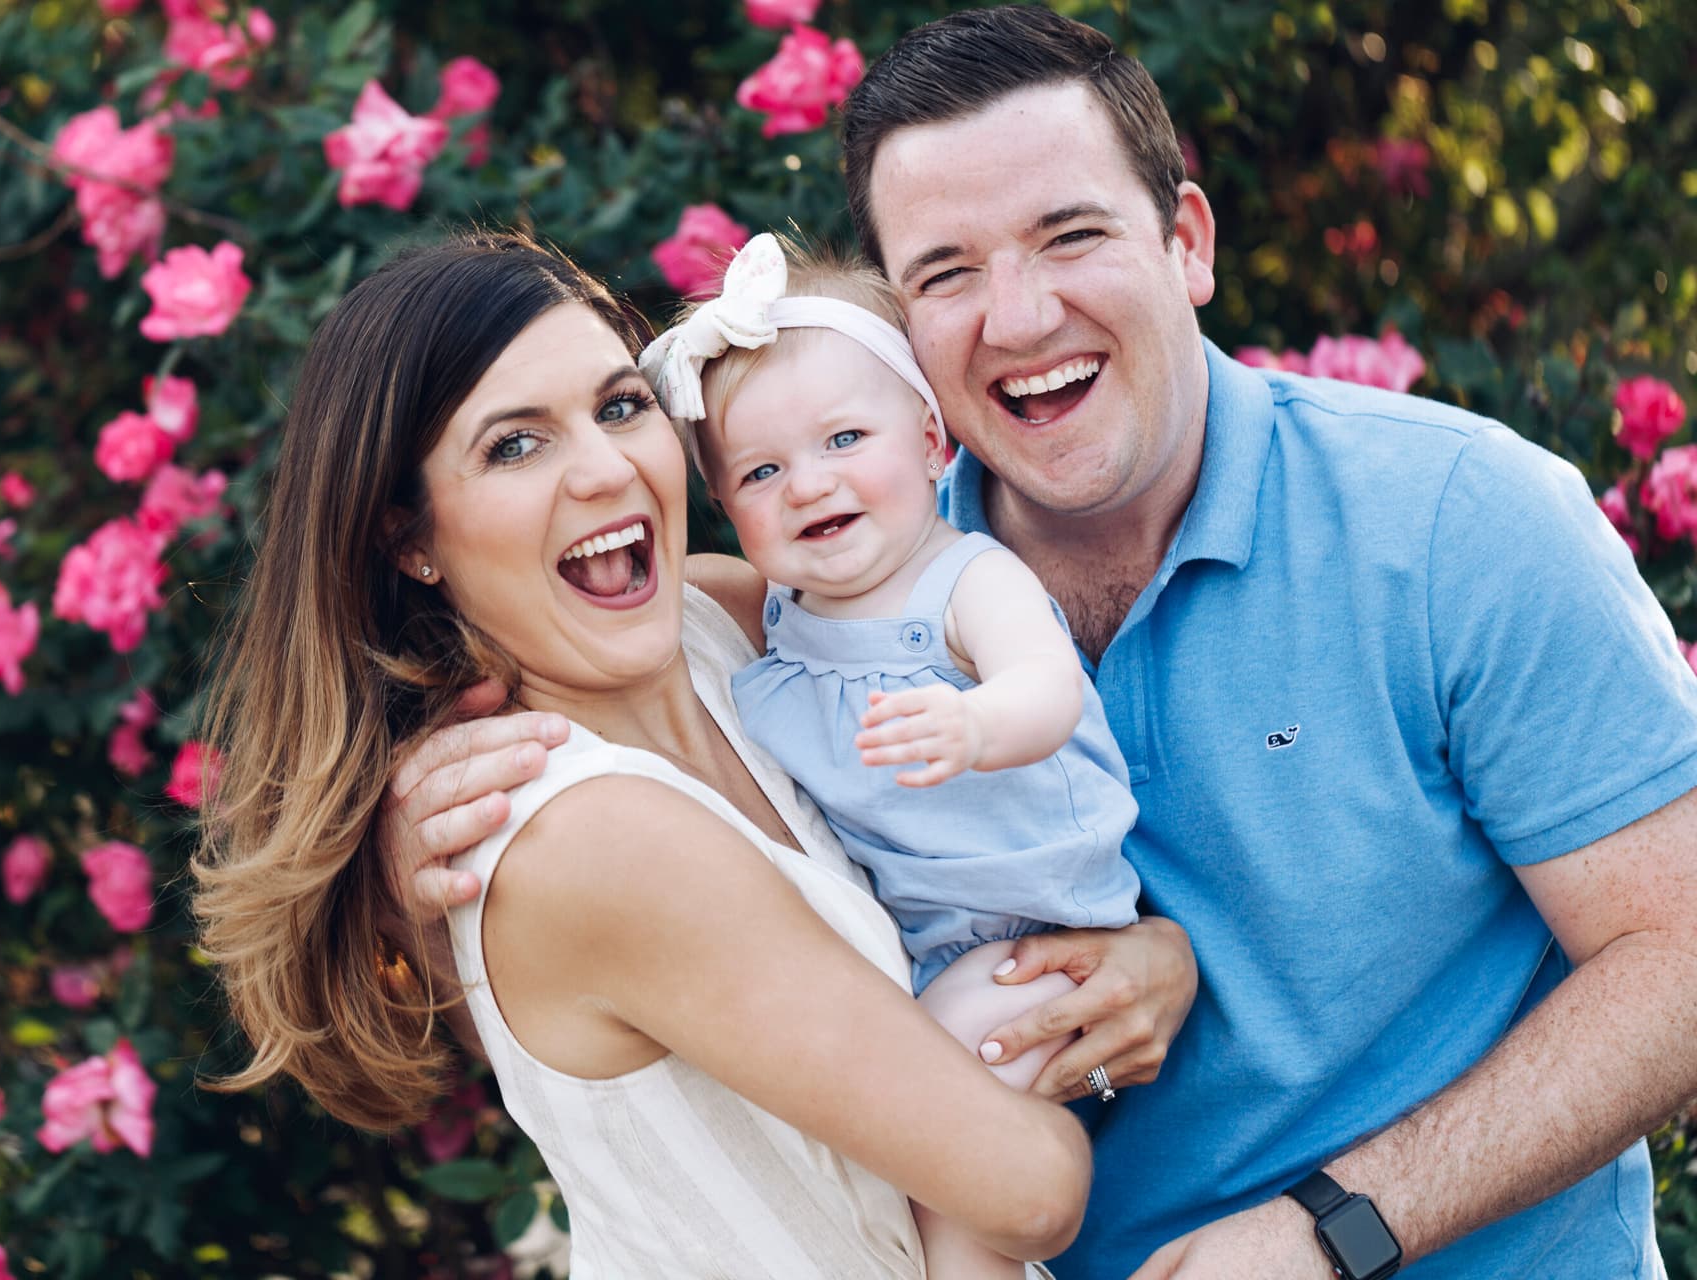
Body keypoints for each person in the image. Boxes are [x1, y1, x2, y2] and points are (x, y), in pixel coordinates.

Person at [394, 7, 1697, 1279]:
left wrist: (1337, 1228)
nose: (1016, 318)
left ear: (1186, 241)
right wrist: (404, 817)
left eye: (1068, 235)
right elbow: (583, 624)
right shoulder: (843, 574)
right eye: (948, 272)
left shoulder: (1456, 522)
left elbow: (1679, 960)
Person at [191, 231, 1198, 1278]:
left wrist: (1147, 960)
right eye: (514, 445)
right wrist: (1046, 1018)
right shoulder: (591, 834)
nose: (603, 467)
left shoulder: (724, 622)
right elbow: (1029, 1188)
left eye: (621, 406)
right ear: (411, 538)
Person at [640, 229, 1144, 1279]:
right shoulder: (779, 615)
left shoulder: (963, 579)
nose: (808, 484)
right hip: (922, 938)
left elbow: (1047, 688)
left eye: (843, 439)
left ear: (931, 440)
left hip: (1031, 924)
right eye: (762, 470)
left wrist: (975, 724)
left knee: (952, 1143)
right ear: (730, 510)